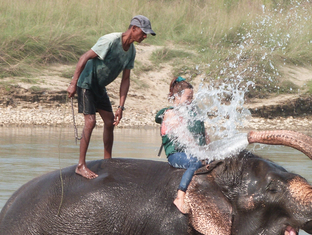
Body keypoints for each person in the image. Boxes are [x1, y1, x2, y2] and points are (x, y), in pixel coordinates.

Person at [67, 15, 156, 179]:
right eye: (143, 33)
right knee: (90, 121)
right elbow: (84, 57)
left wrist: (121, 107)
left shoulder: (131, 51)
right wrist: (73, 83)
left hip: (99, 87)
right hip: (86, 83)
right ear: (133, 29)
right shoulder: (110, 40)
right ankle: (80, 165)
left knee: (109, 122)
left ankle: (107, 161)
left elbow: (126, 79)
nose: (144, 36)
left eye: (146, 34)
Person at [155, 76, 208, 214]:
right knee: (195, 162)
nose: (191, 101)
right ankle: (180, 196)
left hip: (192, 151)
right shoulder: (170, 114)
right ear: (177, 97)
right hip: (176, 155)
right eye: (188, 97)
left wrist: (210, 152)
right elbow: (185, 138)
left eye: (192, 97)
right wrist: (200, 153)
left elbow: (205, 136)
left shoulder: (193, 114)